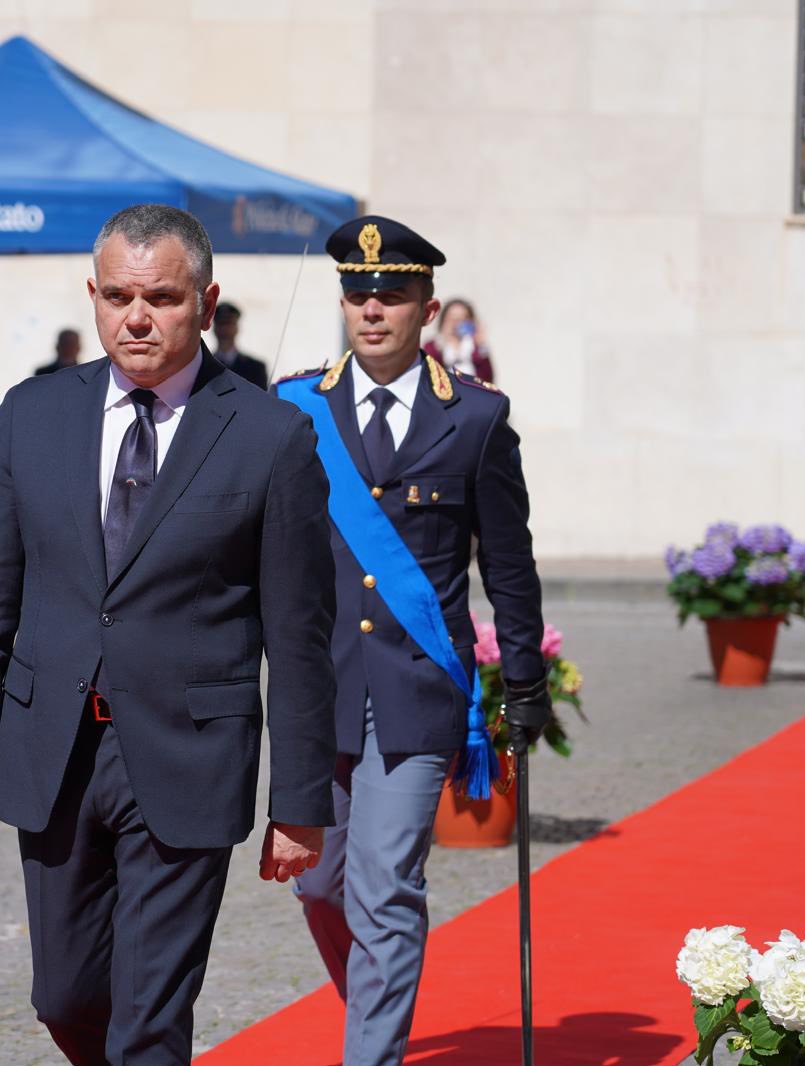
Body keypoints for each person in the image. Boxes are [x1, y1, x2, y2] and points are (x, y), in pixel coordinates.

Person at [0, 203, 337, 1065]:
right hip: (55, 758)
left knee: (151, 1022)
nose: (137, 317)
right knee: (65, 996)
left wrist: (300, 803)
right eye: (117, 296)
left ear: (206, 299)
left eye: (160, 297)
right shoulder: (31, 416)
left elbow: (298, 639)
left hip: (189, 759)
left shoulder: (272, 437)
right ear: (93, 294)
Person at [276, 216, 548, 1066]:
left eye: (390, 294)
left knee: (384, 886)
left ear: (426, 307)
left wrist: (526, 682)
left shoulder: (474, 418)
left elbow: (508, 562)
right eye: (357, 293)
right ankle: (377, 1011)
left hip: (418, 691)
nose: (370, 309)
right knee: (319, 884)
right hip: (319, 694)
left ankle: (372, 1055)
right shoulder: (293, 410)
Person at [423, 297, 495, 383]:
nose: (455, 323)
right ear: (443, 320)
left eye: (461, 319)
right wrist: (444, 342)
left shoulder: (475, 347)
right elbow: (429, 374)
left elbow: (488, 377)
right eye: (451, 318)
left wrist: (481, 345)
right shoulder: (434, 346)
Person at [209, 301, 269, 389]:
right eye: (221, 323)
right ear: (214, 328)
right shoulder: (204, 365)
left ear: (237, 328)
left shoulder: (255, 368)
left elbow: (262, 400)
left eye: (229, 323)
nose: (225, 329)